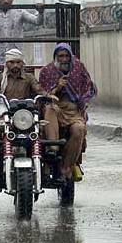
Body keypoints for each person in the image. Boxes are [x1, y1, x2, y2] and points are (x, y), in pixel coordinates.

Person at [38, 43, 97, 181]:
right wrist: (57, 87)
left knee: (79, 129)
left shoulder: (79, 68)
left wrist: (83, 100)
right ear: (55, 57)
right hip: (54, 108)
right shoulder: (47, 71)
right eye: (60, 56)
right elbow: (42, 95)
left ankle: (66, 166)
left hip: (73, 110)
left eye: (66, 56)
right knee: (50, 109)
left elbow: (89, 88)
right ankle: (53, 148)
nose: (64, 59)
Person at [0, 48, 45, 177]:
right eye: (12, 62)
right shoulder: (1, 77)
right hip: (6, 113)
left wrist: (46, 96)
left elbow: (39, 89)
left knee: (42, 131)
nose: (15, 65)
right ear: (7, 64)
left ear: (23, 63)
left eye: (18, 62)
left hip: (25, 115)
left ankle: (46, 166)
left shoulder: (29, 78)